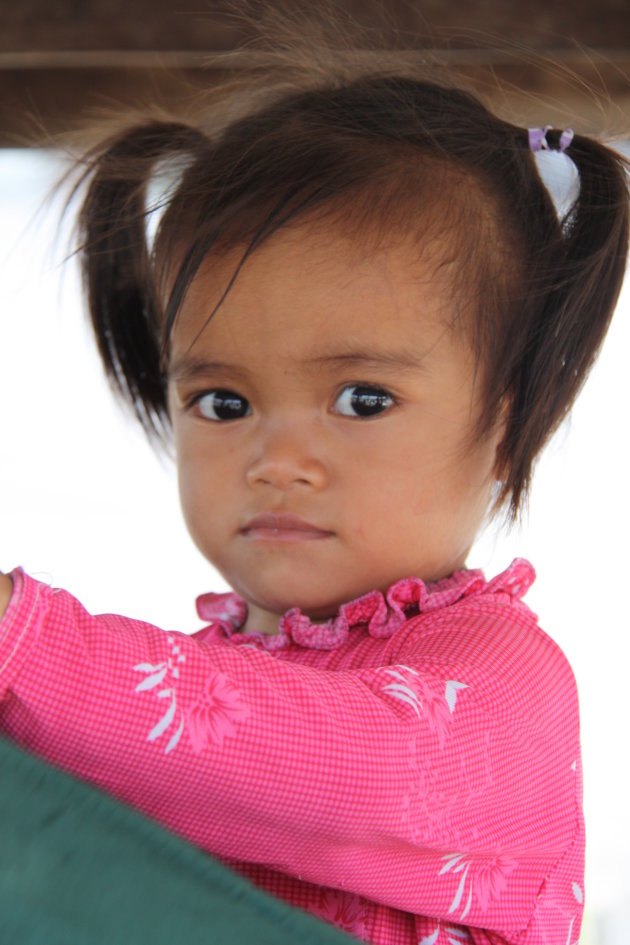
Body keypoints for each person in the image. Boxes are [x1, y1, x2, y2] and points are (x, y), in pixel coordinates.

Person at [0, 47, 628, 945]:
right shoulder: (142, 704)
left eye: (362, 400)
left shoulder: (501, 689)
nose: (278, 458)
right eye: (224, 402)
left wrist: (21, 639)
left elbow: (337, 769)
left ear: (501, 424)